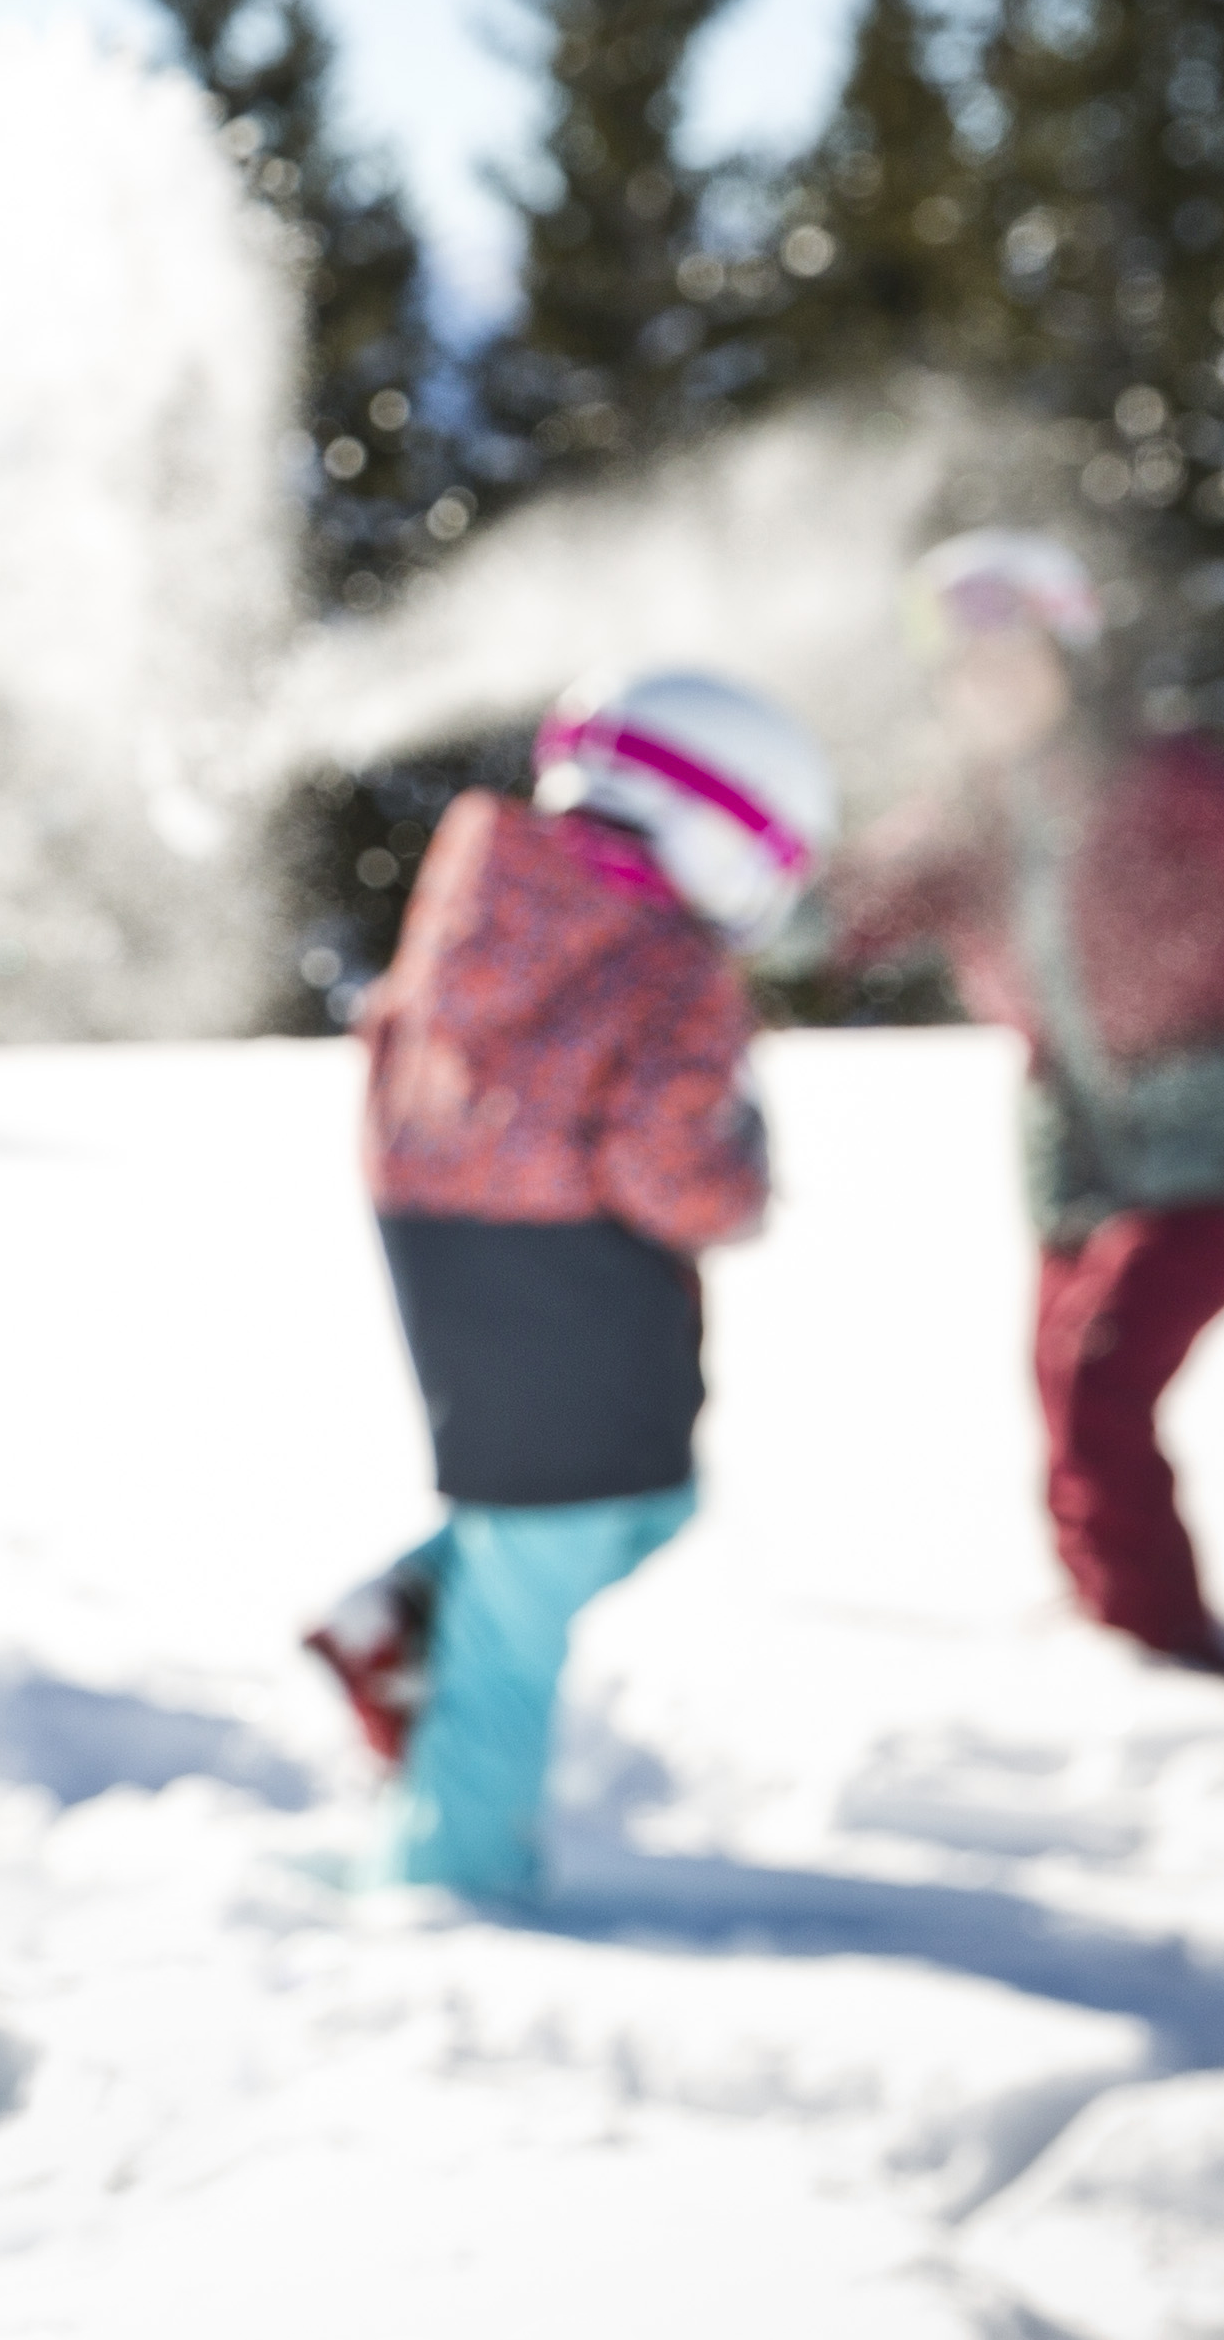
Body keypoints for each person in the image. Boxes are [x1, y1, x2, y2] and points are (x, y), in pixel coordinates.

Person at [815, 528, 1224, 1679]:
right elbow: (847, 910)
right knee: (1059, 1394)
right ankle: (1105, 1627)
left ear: (1071, 657)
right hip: (1076, 1154)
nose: (984, 690)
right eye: (961, 673)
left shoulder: (1165, 777)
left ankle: (1165, 1656)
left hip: (1216, 1146)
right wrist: (733, 902)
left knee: (1102, 1384)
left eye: (1010, 660)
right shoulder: (962, 815)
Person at [307, 669, 833, 1904]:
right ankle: (452, 1874)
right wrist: (741, 1180)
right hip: (565, 1263)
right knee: (533, 1588)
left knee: (634, 1502)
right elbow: (672, 1160)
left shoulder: (486, 894)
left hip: (448, 1241)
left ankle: (403, 1609)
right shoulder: (669, 960)